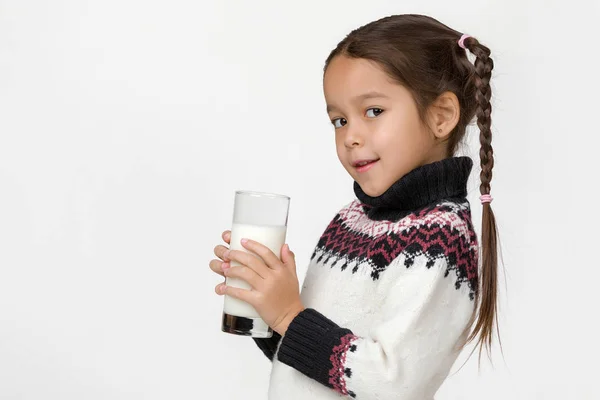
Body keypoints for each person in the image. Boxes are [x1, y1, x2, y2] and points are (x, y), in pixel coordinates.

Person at [209, 13, 500, 400]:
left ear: (441, 116)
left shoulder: (441, 240)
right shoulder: (353, 220)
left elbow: (392, 383)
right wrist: (267, 309)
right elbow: (313, 371)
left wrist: (287, 317)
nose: (350, 136)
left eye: (373, 112)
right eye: (339, 120)